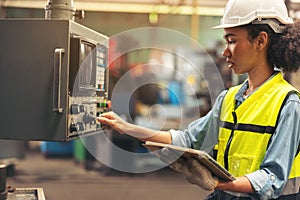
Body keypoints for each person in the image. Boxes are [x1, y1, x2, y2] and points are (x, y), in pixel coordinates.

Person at [97, 0, 300, 199]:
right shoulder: (228, 98)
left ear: (260, 41)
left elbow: (272, 178)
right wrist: (126, 127)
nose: (225, 51)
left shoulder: (289, 104)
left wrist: (217, 183)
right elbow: (189, 140)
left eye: (232, 40)